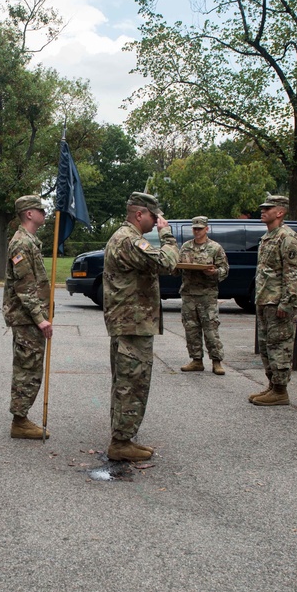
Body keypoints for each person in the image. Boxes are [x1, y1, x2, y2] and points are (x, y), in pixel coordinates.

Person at [102, 192, 178, 462]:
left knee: (126, 381)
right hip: (132, 324)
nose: (156, 221)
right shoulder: (130, 241)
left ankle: (122, 437)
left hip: (130, 322)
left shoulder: (126, 238)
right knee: (132, 384)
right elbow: (168, 262)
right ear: (139, 214)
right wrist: (167, 235)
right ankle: (121, 443)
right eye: (153, 216)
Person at [2, 195, 52, 440]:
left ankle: (21, 417)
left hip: (30, 317)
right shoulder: (21, 243)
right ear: (29, 214)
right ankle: (19, 421)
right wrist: (40, 318)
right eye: (40, 210)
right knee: (26, 369)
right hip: (26, 318)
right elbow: (24, 286)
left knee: (31, 368)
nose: (44, 213)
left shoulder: (30, 241)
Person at [250, 195, 297, 406]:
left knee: (279, 346)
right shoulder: (268, 236)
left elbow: (293, 273)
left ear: (279, 212)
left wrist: (287, 302)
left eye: (268, 208)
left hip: (277, 302)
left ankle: (281, 391)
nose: (263, 211)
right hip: (265, 300)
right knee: (266, 346)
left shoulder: (287, 238)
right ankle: (273, 385)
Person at [177, 216, 229, 375]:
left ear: (207, 229)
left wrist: (214, 272)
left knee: (211, 329)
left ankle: (216, 361)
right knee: (191, 329)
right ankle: (196, 360)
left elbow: (225, 270)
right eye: (195, 228)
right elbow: (177, 267)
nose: (197, 231)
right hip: (189, 294)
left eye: (200, 228)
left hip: (207, 295)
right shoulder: (186, 247)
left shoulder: (215, 248)